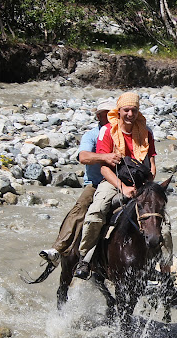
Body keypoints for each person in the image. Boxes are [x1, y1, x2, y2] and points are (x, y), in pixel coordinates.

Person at [73, 91, 173, 280]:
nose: (130, 114)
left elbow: (151, 164)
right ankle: (84, 258)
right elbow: (104, 169)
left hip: (141, 182)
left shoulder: (146, 132)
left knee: (163, 223)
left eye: (134, 110)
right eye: (126, 110)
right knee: (96, 212)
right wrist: (123, 188)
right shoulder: (108, 131)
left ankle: (166, 272)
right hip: (113, 180)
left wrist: (148, 186)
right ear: (119, 111)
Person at [39, 98, 121, 265]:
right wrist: (105, 157)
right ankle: (58, 249)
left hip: (122, 182)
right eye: (107, 115)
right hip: (97, 182)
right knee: (82, 207)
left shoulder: (123, 133)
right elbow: (83, 157)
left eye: (115, 114)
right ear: (99, 117)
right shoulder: (91, 135)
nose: (112, 118)